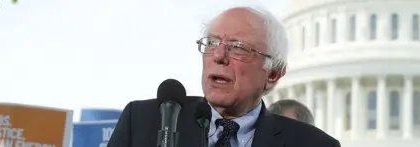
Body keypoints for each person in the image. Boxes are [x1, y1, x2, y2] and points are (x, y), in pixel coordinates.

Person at [107, 5, 340, 147]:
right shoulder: (141, 122)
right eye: (211, 42)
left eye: (238, 47)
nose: (218, 55)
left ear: (273, 73)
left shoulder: (313, 145)